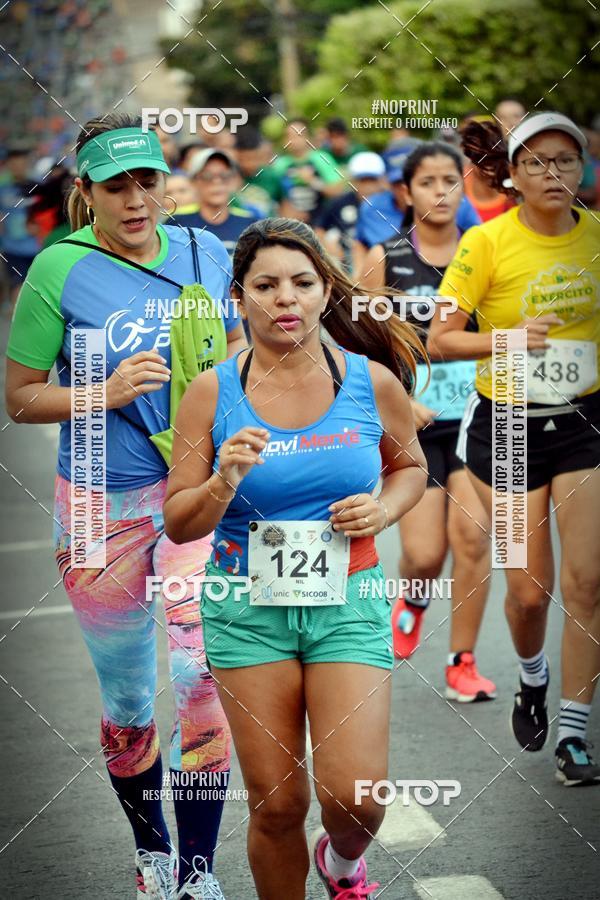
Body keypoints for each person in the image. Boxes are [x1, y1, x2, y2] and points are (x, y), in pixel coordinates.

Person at [5, 113, 247, 897]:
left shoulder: (205, 252)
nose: (138, 199)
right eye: (118, 186)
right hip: (97, 504)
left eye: (148, 180)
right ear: (88, 192)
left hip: (193, 490)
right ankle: (152, 852)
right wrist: (100, 393)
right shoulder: (58, 271)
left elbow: (243, 361)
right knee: (130, 698)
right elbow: (19, 398)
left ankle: (198, 870)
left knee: (201, 672)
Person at [163, 217, 428, 898]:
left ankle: (341, 861)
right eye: (267, 285)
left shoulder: (372, 382)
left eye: (303, 283)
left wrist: (385, 508)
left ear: (323, 292)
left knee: (356, 799)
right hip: (245, 607)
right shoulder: (211, 393)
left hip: (348, 598)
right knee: (278, 806)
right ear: (240, 296)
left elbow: (410, 469)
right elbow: (178, 516)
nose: (287, 298)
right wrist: (223, 479)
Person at [428, 112, 600, 785]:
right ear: (515, 176)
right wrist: (509, 339)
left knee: (588, 581)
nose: (553, 174)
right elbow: (442, 339)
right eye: (538, 163)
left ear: (583, 169)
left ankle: (576, 733)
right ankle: (533, 679)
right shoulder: (487, 244)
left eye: (566, 161)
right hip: (507, 424)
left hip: (584, 420)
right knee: (530, 593)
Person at [361, 143, 495, 702]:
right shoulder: (382, 258)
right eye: (427, 182)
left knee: (475, 536)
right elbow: (361, 346)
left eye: (451, 180)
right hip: (413, 423)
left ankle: (463, 662)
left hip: (479, 415)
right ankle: (413, 599)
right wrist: (399, 402)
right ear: (406, 192)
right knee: (421, 554)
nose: (441, 191)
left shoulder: (485, 252)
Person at [355, 158, 481, 254]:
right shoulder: (372, 207)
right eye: (398, 182)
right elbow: (359, 243)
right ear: (388, 184)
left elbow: (479, 242)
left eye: (416, 181)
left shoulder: (456, 202)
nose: (405, 189)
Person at [174, 148, 262, 260]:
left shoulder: (250, 223)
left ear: (234, 181)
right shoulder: (178, 222)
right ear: (193, 182)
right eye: (207, 176)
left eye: (225, 176)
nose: (217, 182)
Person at [313, 151, 386, 274]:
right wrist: (330, 247)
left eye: (372, 180)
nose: (368, 186)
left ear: (382, 181)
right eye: (363, 181)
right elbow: (319, 230)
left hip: (383, 263)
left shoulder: (391, 204)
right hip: (347, 266)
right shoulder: (340, 203)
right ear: (353, 181)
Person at [272, 118, 344, 225]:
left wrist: (313, 181)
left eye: (298, 135)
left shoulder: (321, 159)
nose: (294, 140)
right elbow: (273, 196)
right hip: (290, 224)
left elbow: (338, 191)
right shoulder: (280, 164)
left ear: (308, 137)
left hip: (321, 223)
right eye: (289, 136)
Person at [0, 146, 39, 302]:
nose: (17, 166)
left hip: (37, 247)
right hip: (12, 249)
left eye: (21, 162)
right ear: (8, 164)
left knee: (36, 287)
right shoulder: (3, 190)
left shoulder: (39, 187)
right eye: (13, 163)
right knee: (18, 285)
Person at [233, 126, 283, 217]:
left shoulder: (272, 176)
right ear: (236, 155)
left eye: (253, 158)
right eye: (243, 159)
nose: (249, 164)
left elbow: (286, 206)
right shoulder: (227, 178)